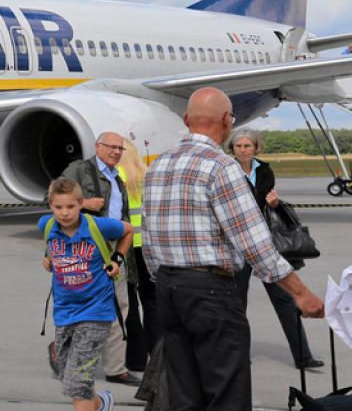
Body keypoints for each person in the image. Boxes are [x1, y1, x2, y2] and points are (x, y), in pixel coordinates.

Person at [143, 87, 325, 410]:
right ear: (227, 121)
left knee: (183, 391)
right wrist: (300, 293)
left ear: (186, 119)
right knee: (226, 391)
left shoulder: (159, 165)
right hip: (210, 291)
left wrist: (165, 279)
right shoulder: (221, 167)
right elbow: (255, 243)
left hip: (169, 287)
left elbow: (149, 235)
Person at [227, 129, 323, 369]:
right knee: (237, 304)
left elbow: (259, 201)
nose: (243, 150)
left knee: (285, 300)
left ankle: (303, 356)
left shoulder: (265, 170)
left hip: (264, 244)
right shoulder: (226, 171)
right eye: (238, 146)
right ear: (233, 149)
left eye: (247, 146)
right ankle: (239, 356)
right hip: (239, 246)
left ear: (255, 148)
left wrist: (275, 204)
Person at [41, 177, 133, 411]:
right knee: (69, 376)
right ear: (50, 206)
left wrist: (117, 259)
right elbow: (52, 247)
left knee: (79, 381)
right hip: (64, 312)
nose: (64, 213)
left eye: (70, 206)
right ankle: (101, 403)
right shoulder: (47, 226)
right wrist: (49, 258)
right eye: (58, 207)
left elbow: (128, 230)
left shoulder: (98, 226)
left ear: (81, 204)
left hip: (95, 311)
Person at [56, 132, 140, 387]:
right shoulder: (79, 170)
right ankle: (63, 352)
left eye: (119, 149)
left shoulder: (117, 178)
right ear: (97, 147)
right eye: (111, 147)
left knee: (118, 306)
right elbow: (53, 199)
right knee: (81, 306)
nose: (116, 152)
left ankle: (115, 368)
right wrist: (82, 203)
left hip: (113, 248)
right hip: (85, 249)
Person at [116, 138, 157, 372]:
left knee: (129, 303)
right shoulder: (148, 174)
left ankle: (136, 358)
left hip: (128, 245)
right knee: (152, 302)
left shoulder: (117, 176)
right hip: (149, 246)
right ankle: (158, 353)